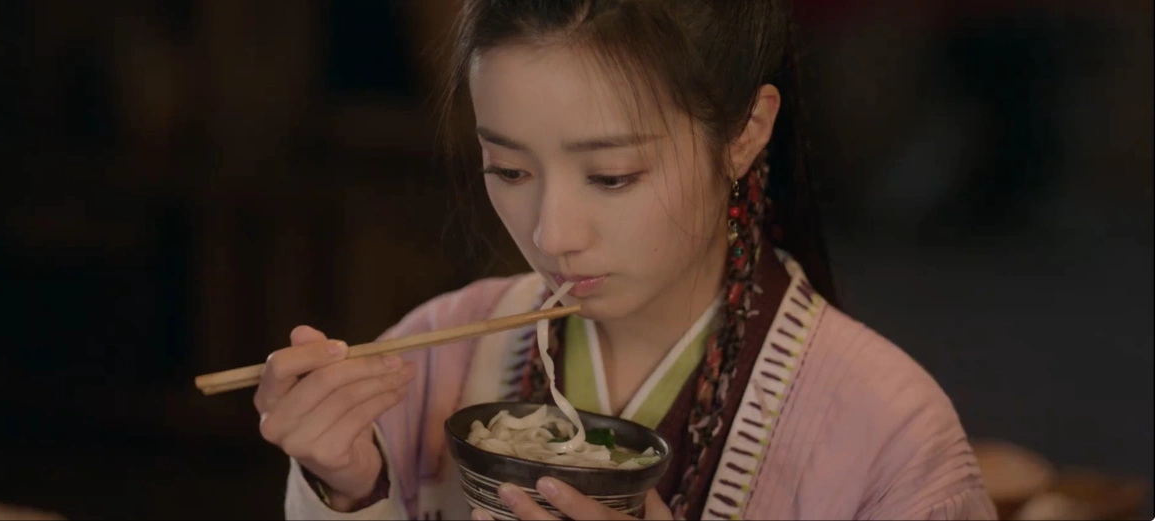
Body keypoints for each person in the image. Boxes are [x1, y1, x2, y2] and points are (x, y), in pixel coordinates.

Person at [253, 0, 997, 519]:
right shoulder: (425, 362)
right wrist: (348, 489)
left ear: (745, 132)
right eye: (509, 170)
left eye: (612, 176)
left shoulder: (887, 430)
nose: (553, 233)